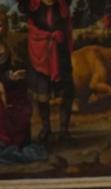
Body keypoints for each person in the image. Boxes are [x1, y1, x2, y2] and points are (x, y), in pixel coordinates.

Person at [21, 0, 75, 142]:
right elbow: (32, 29)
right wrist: (48, 37)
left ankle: (64, 129)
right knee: (42, 94)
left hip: (61, 55)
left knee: (66, 93)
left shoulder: (62, 6)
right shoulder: (33, 6)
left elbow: (67, 29)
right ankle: (46, 128)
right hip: (40, 55)